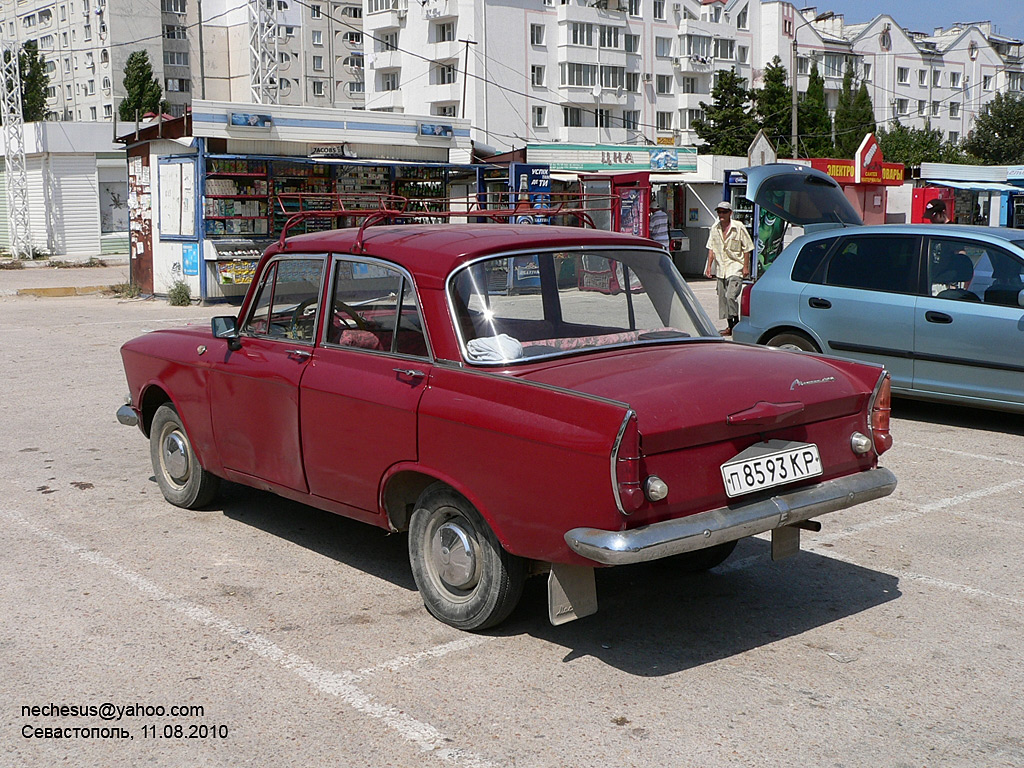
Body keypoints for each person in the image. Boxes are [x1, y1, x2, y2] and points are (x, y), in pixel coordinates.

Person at [704, 200, 753, 336]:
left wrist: (745, 267)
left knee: (730, 296)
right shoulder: (715, 228)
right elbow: (711, 249)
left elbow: (747, 248)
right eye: (719, 212)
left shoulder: (738, 227)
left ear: (730, 213)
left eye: (724, 212)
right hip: (721, 268)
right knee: (722, 298)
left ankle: (736, 324)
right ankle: (730, 326)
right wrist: (709, 267)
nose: (721, 214)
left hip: (735, 267)